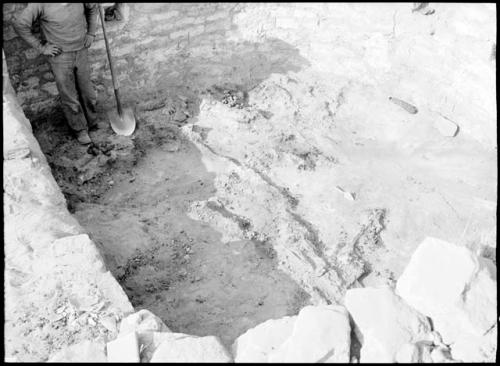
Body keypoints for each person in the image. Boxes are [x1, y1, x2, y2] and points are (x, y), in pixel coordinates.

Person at [14, 3, 99, 145]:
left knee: (88, 91)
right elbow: (20, 25)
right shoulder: (39, 4)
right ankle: (79, 129)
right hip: (60, 56)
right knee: (69, 95)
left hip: (81, 49)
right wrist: (41, 47)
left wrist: (91, 33)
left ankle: (92, 121)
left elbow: (93, 8)